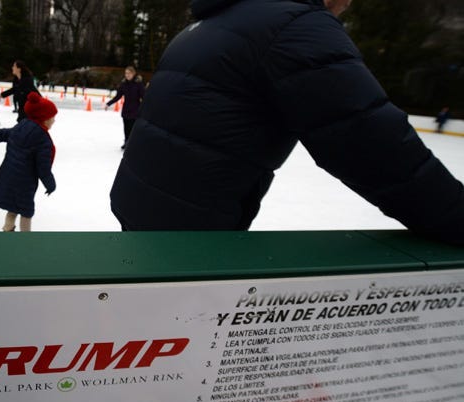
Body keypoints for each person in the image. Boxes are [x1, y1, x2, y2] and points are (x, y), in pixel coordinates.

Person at [109, 0, 464, 245]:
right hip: (189, 236)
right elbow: (369, 143)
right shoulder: (296, 25)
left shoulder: (205, 25)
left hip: (140, 209)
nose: (347, 6)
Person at [0, 92, 58, 232]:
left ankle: (7, 230)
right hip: (25, 183)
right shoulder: (43, 140)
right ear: (44, 119)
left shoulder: (21, 126)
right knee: (26, 212)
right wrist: (50, 184)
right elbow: (43, 169)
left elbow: (2, 133)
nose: (54, 121)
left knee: (12, 207)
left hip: (8, 176)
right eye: (52, 117)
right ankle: (24, 240)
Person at [105, 66, 145, 149]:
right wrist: (108, 104)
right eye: (126, 73)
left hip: (135, 110)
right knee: (126, 128)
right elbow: (118, 96)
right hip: (126, 110)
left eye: (129, 73)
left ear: (133, 74)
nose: (127, 75)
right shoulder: (124, 84)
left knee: (132, 129)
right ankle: (126, 142)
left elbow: (144, 97)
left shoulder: (138, 84)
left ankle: (132, 144)